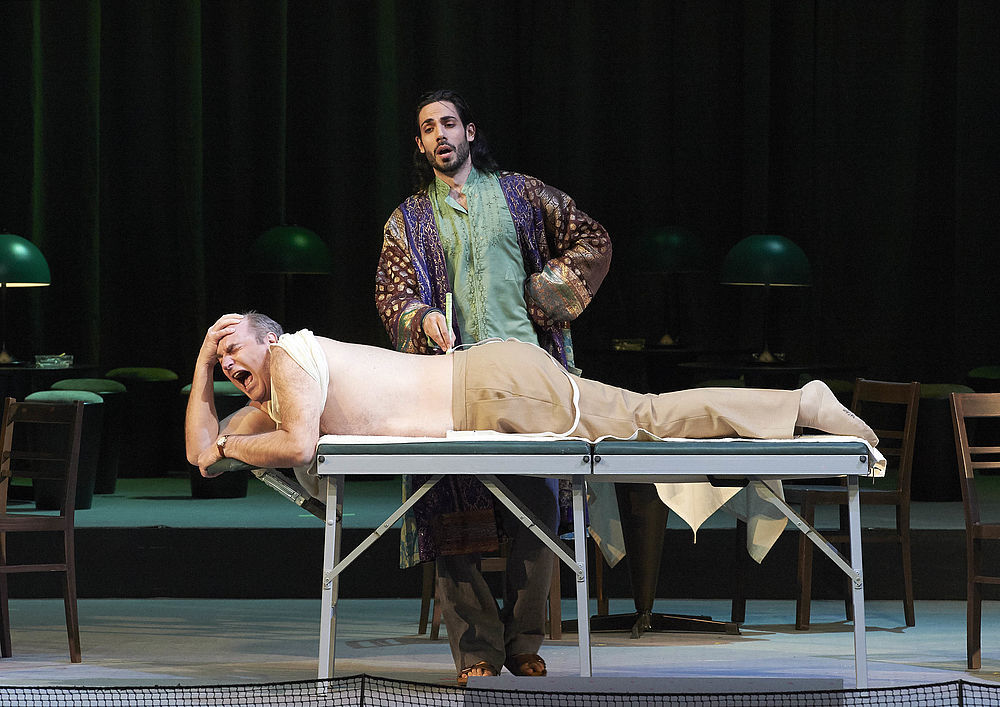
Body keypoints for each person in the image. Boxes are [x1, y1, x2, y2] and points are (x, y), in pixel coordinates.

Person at [185, 313, 879, 684]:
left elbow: (297, 445)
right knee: (646, 413)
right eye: (222, 360)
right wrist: (200, 369)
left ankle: (798, 403)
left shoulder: (290, 358)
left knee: (646, 417)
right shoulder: (275, 392)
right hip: (491, 388)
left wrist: (234, 441)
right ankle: (794, 405)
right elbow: (202, 452)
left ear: (270, 338)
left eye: (233, 345)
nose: (230, 361)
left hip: (493, 390)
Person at [373, 89, 613, 684]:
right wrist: (420, 318)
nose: (440, 134)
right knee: (450, 516)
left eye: (449, 123)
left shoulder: (522, 196)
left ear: (470, 132)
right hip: (453, 385)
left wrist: (545, 294)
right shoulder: (408, 220)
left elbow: (593, 239)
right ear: (420, 144)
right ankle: (477, 650)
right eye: (429, 128)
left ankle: (524, 642)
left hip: (529, 380)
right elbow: (392, 294)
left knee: (539, 512)